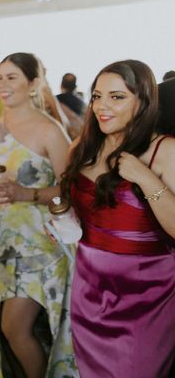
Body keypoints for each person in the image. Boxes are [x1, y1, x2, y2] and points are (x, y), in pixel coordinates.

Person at [0, 53, 77, 377]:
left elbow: (72, 189)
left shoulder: (50, 130)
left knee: (15, 327)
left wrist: (25, 194)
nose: (2, 84)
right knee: (5, 327)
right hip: (4, 243)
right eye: (0, 77)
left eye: (12, 77)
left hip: (41, 246)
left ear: (34, 83)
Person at [61, 60, 175, 377]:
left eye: (117, 97)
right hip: (88, 290)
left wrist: (147, 179)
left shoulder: (164, 151)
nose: (101, 107)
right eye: (97, 96)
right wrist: (59, 215)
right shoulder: (82, 148)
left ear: (143, 101)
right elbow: (71, 203)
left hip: (146, 296)